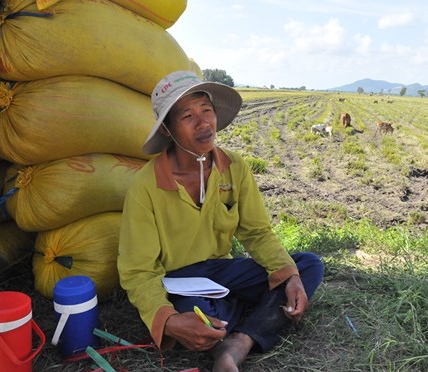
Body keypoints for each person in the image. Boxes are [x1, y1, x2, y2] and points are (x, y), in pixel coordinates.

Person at [118, 70, 325, 372]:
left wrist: (289, 276)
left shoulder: (235, 168)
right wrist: (170, 320)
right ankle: (239, 315)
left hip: (221, 272)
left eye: (206, 110)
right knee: (198, 315)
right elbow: (138, 271)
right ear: (166, 129)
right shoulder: (146, 186)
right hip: (178, 281)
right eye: (187, 116)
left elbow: (257, 232)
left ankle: (239, 342)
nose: (203, 123)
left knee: (306, 266)